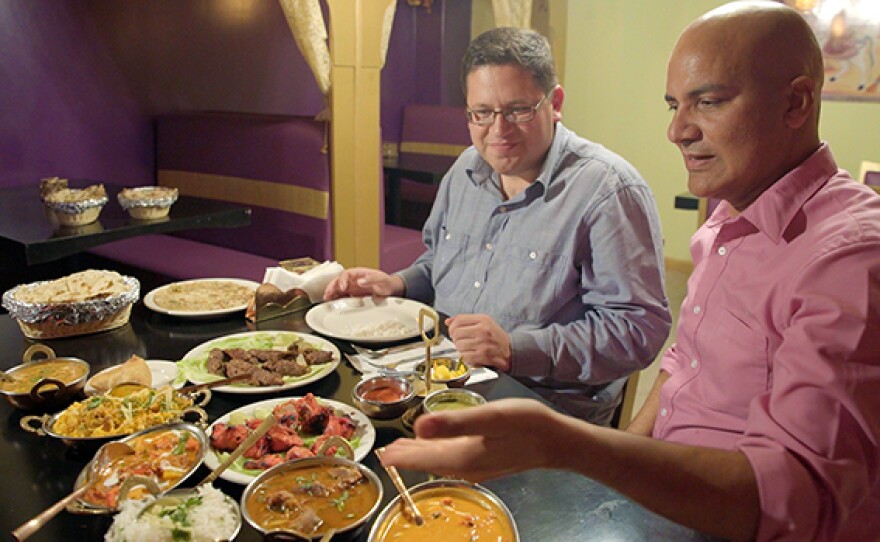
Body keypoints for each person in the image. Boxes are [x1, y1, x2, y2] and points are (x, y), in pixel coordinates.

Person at [379, 2, 880, 541]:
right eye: (674, 105)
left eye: (708, 102)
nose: (676, 130)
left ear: (796, 102)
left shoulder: (849, 255)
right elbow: (682, 370)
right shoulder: (727, 222)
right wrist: (612, 482)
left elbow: (793, 504)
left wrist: (574, 447)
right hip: (631, 475)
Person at [325, 27, 671, 425]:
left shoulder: (608, 190)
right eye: (482, 113)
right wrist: (397, 284)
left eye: (518, 110)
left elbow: (637, 332)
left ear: (555, 103)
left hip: (543, 409)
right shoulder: (465, 169)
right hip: (442, 382)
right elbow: (440, 260)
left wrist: (514, 349)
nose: (499, 130)